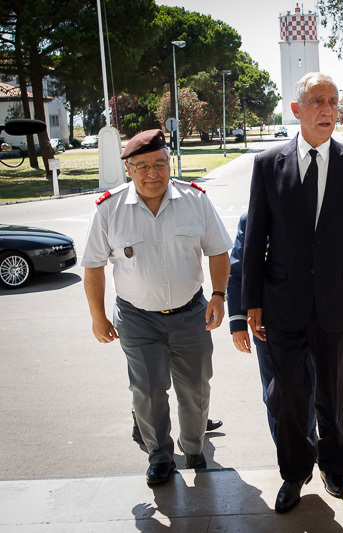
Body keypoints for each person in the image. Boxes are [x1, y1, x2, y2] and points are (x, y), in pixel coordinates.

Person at [242, 73, 343, 513]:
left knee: (331, 391)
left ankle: (334, 466)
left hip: (337, 301)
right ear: (296, 109)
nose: (327, 109)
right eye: (317, 101)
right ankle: (294, 472)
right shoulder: (267, 164)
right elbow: (255, 238)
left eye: (333, 101)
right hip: (283, 303)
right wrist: (251, 302)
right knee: (288, 394)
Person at [82, 129, 232, 485]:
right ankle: (160, 456)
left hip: (191, 313)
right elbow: (93, 267)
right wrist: (98, 316)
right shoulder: (110, 209)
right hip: (137, 318)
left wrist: (218, 295)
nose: (153, 174)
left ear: (169, 163)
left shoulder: (194, 200)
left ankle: (193, 447)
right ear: (129, 170)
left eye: (160, 164)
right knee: (148, 391)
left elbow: (218, 251)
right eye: (143, 166)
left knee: (195, 388)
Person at [227, 212, 316, 444]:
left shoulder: (312, 213)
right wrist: (238, 322)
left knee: (309, 390)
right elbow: (237, 272)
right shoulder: (251, 220)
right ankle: (288, 450)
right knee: (275, 394)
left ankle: (306, 442)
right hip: (267, 326)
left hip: (310, 321)